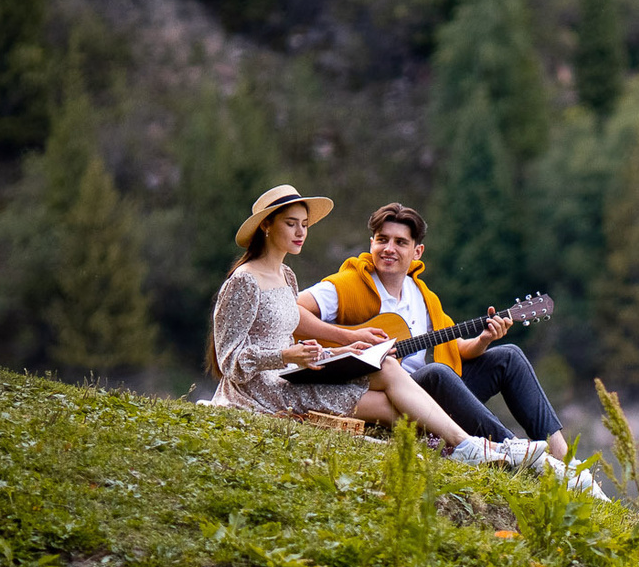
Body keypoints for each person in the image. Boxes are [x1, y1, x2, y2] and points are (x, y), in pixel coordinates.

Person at [207, 185, 507, 469]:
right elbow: (229, 362)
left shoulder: (287, 276)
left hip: (290, 377)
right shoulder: (244, 281)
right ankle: (470, 447)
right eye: (291, 224)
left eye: (305, 224)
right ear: (266, 226)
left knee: (387, 365)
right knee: (391, 408)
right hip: (262, 391)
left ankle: (469, 446)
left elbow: (289, 342)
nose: (301, 232)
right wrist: (287, 357)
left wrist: (342, 349)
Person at [298, 203, 590, 486]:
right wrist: (349, 338)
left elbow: (456, 348)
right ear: (371, 242)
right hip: (386, 389)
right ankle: (516, 451)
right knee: (436, 373)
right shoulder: (349, 284)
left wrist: (484, 339)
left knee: (509, 356)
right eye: (382, 240)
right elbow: (292, 311)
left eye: (400, 242)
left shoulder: (422, 295)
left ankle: (568, 463)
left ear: (417, 251)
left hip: (432, 395)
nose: (389, 249)